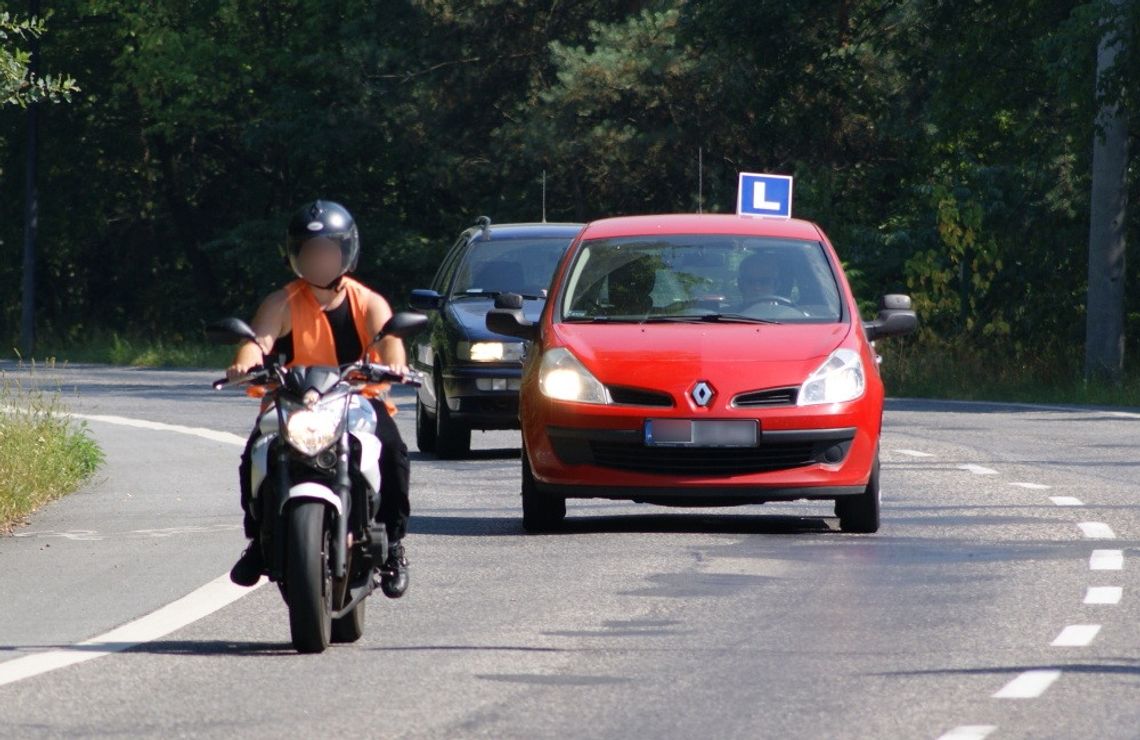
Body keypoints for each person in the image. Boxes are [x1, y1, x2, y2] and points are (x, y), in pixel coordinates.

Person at [225, 200, 411, 597]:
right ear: (296, 255)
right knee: (254, 456)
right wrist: (245, 363)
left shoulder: (368, 302)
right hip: (294, 402)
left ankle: (393, 546)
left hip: (356, 398)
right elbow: (257, 342)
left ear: (346, 252)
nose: (319, 260)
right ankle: (258, 541)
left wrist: (394, 365)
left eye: (327, 250)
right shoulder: (282, 302)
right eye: (310, 252)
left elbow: (391, 344)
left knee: (393, 451)